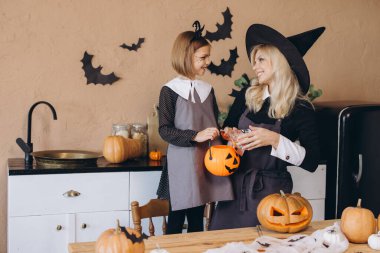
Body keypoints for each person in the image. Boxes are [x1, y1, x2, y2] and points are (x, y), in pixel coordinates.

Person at [209, 24, 325, 230]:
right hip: (234, 190)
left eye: (261, 59)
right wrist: (231, 135)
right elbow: (227, 130)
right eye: (254, 60)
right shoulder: (247, 95)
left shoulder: (301, 108)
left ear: (279, 62)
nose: (255, 66)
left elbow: (312, 161)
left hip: (273, 200)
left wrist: (274, 139)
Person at [156, 21, 234, 234]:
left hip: (207, 162)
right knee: (175, 221)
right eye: (202, 58)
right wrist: (196, 135)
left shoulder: (208, 89)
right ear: (185, 57)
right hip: (181, 165)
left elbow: (213, 123)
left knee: (197, 222)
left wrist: (224, 133)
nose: (208, 62)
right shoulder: (169, 90)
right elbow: (164, 130)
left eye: (208, 56)